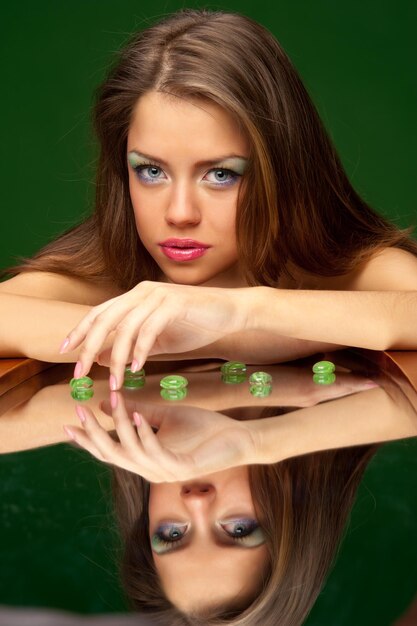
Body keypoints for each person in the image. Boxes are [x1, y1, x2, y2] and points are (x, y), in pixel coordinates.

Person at [1, 6, 417, 623]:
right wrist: (256, 431)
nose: (180, 213)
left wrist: (240, 311)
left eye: (221, 174)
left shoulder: (348, 273)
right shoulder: (102, 281)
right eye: (151, 172)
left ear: (280, 170)